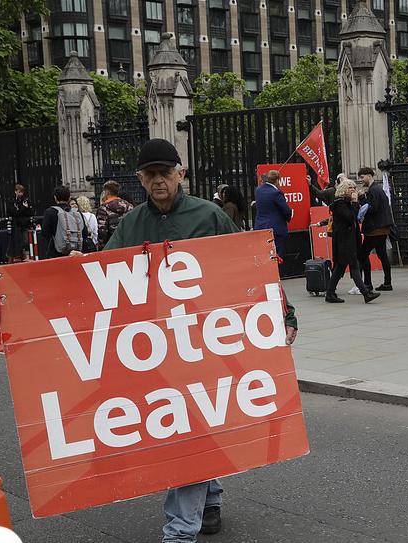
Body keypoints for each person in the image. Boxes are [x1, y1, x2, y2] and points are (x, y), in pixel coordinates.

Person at [103, 138, 298, 543]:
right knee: (187, 425)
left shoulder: (209, 216)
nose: (158, 180)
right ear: (140, 179)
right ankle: (208, 501)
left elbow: (251, 265)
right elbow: (102, 276)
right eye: (150, 174)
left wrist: (285, 313)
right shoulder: (131, 223)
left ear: (181, 174)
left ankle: (180, 531)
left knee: (188, 428)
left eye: (165, 172)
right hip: (158, 344)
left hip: (209, 339)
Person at [323, 178, 380, 304]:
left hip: (350, 240)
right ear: (344, 190)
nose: (353, 190)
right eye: (350, 188)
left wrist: (357, 201)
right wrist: (354, 202)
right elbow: (351, 217)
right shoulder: (339, 204)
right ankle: (366, 293)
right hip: (344, 241)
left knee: (340, 268)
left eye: (354, 187)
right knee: (353, 265)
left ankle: (330, 293)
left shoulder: (346, 203)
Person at [357, 166, 394, 291]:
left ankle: (367, 283)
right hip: (382, 228)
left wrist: (362, 198)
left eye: (362, 177)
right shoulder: (377, 189)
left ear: (369, 175)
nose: (361, 180)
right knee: (382, 255)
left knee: (362, 254)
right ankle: (387, 283)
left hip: (374, 230)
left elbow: (372, 208)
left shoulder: (373, 190)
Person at [40, 185, 88, 260]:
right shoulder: (77, 214)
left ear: (55, 198)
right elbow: (84, 233)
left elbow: (45, 234)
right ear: (69, 198)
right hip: (75, 254)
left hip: (56, 254)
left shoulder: (50, 212)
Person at [254, 170, 293, 256]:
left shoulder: (258, 190)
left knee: (264, 255)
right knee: (276, 256)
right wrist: (290, 215)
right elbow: (286, 211)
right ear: (277, 180)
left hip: (260, 227)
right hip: (276, 230)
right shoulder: (276, 193)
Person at [96, 180, 135, 249]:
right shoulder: (129, 206)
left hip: (111, 246)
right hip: (129, 245)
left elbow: (102, 232)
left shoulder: (103, 209)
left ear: (106, 192)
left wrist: (102, 248)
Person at [7, 184, 33, 263]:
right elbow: (13, 212)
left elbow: (30, 212)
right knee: (16, 241)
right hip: (16, 224)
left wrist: (22, 210)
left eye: (22, 192)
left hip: (24, 224)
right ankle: (15, 257)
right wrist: (23, 208)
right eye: (19, 192)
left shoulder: (26, 200)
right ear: (15, 192)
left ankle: (23, 256)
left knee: (25, 241)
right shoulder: (12, 201)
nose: (21, 194)